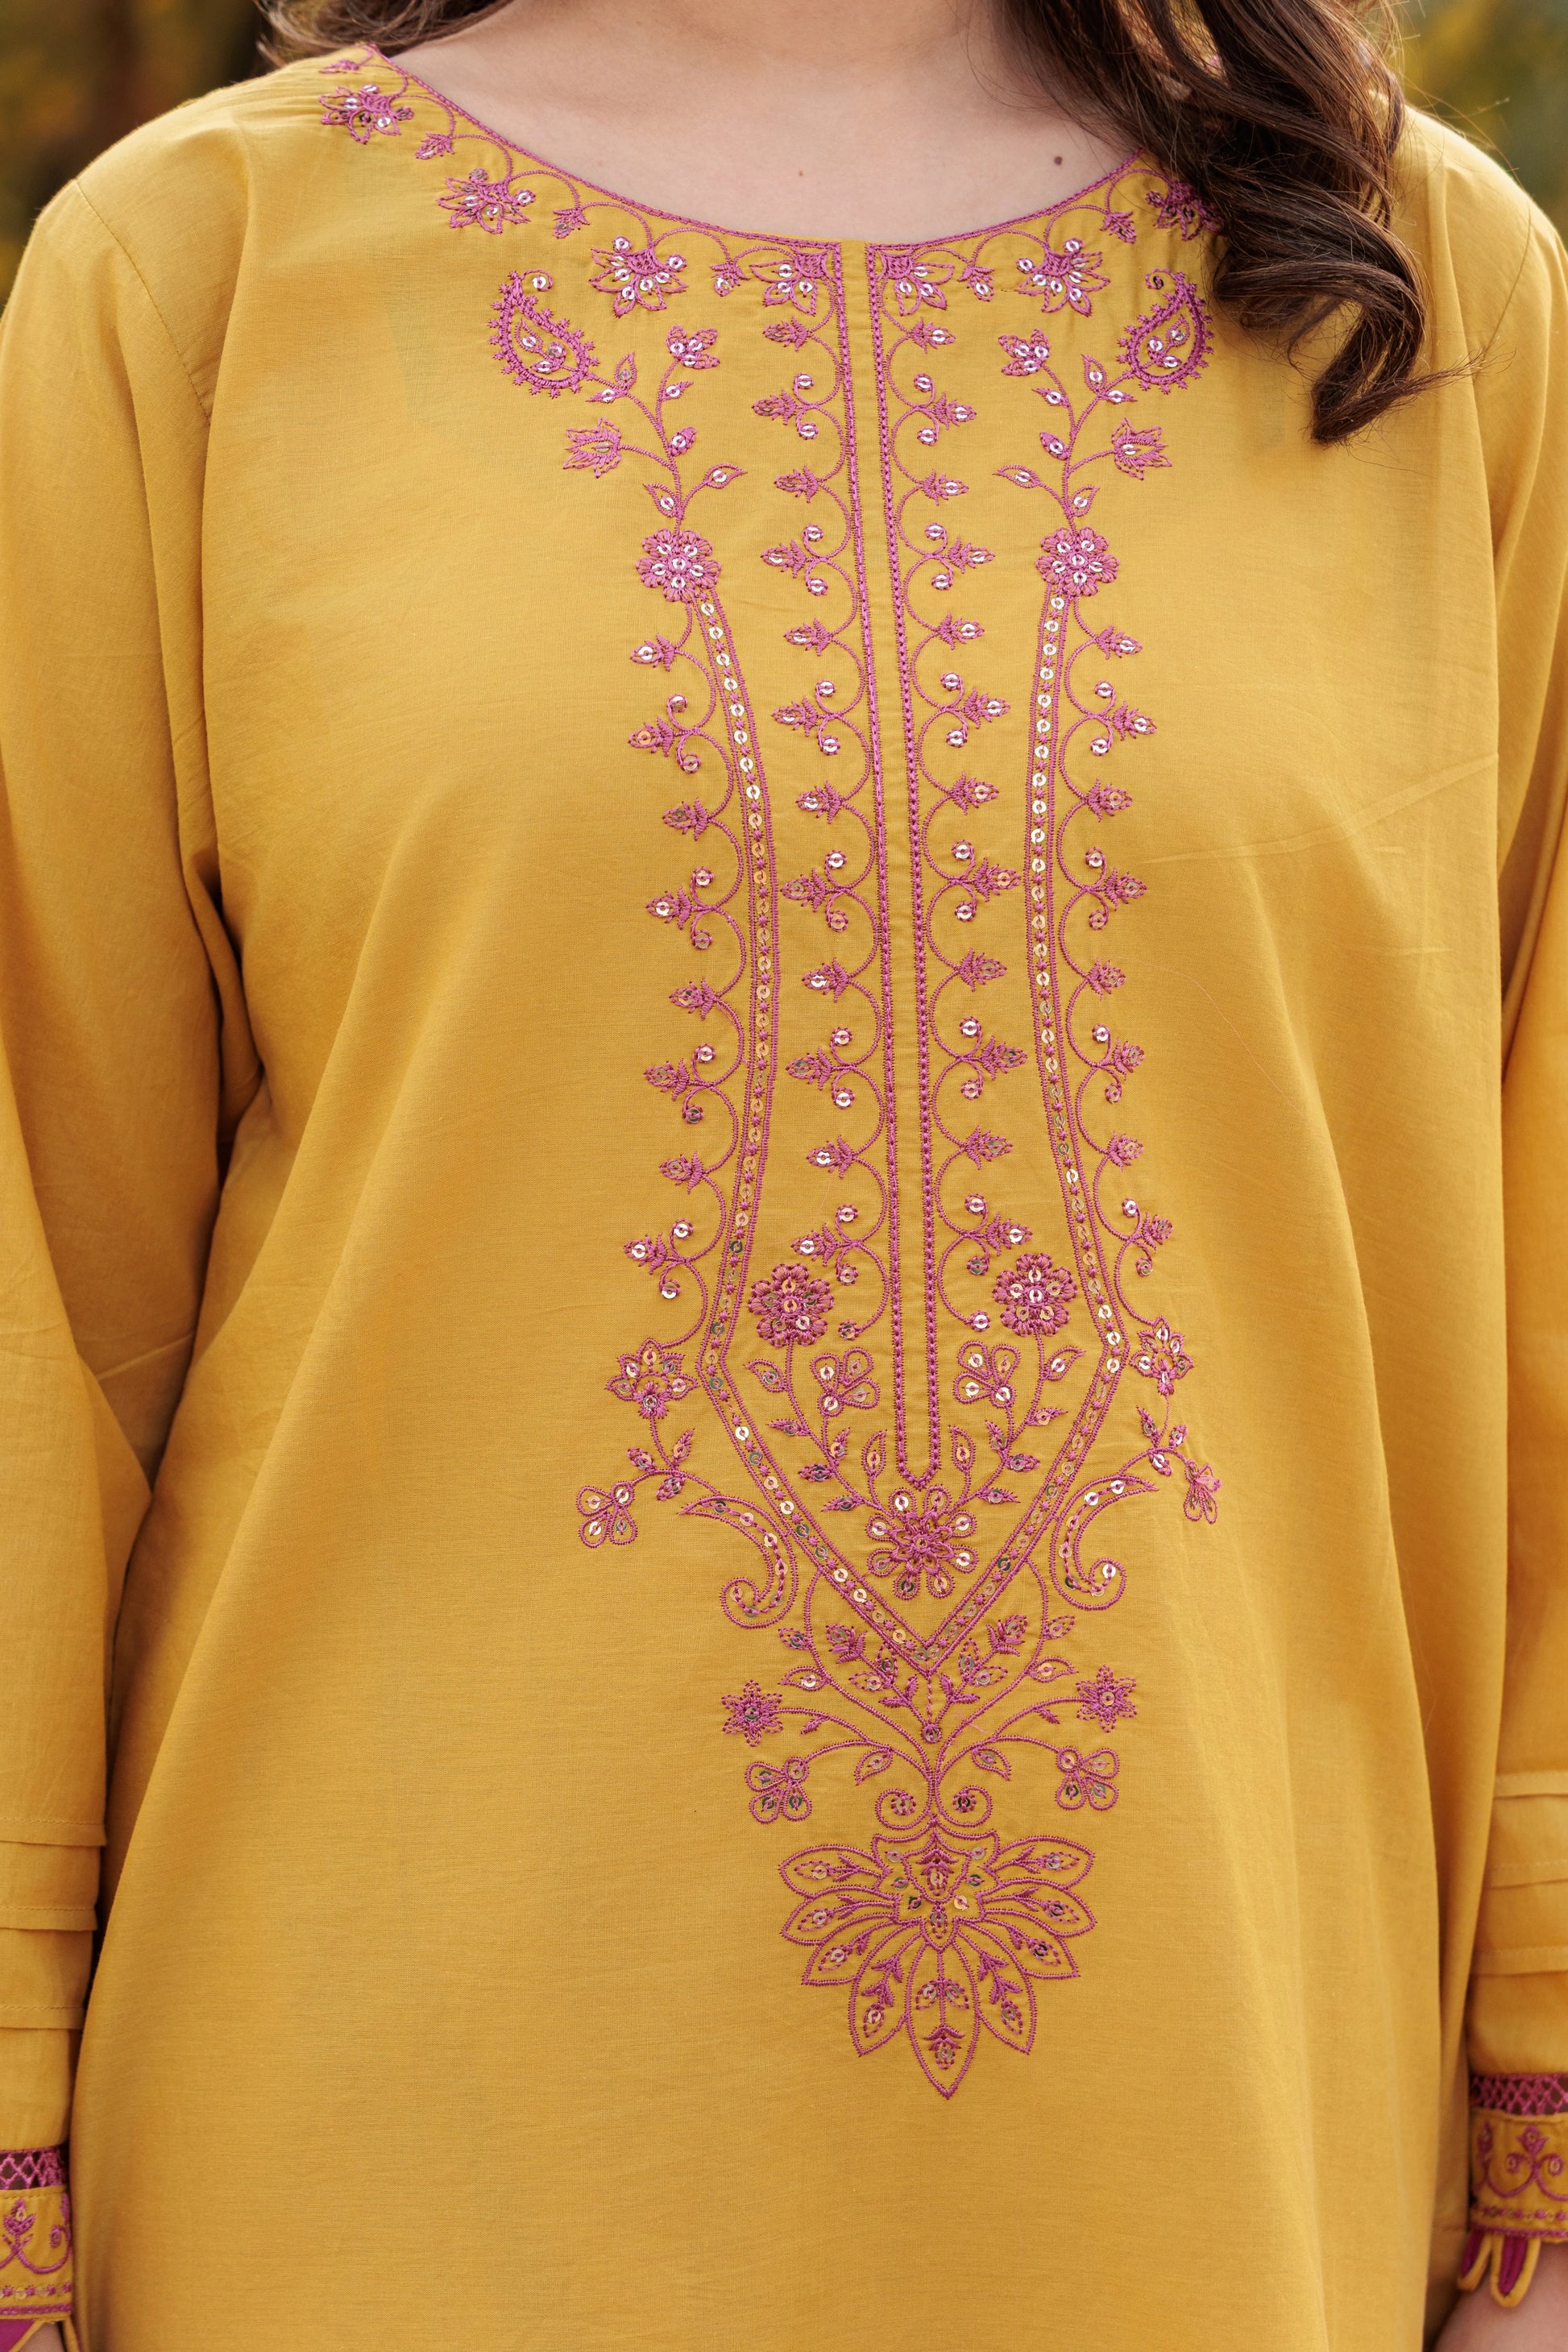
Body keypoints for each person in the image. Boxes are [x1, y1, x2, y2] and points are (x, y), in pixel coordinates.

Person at [0, 0, 1563, 2342]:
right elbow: (37, 1315)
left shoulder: (1425, 294)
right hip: (361, 2167)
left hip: (1227, 2160)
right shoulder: (199, 276)